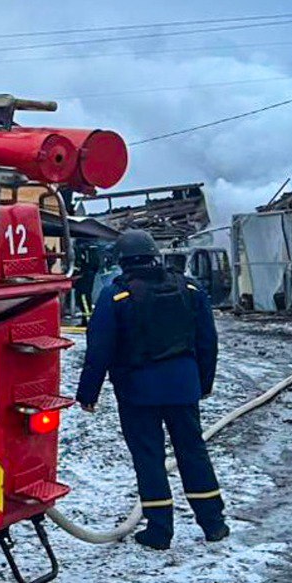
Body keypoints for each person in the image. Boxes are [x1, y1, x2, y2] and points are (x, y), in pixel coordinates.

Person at [75, 230, 227, 549]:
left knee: (149, 457)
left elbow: (99, 348)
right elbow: (207, 340)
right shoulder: (189, 288)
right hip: (183, 387)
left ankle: (159, 531)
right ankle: (213, 523)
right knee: (193, 452)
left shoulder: (115, 296)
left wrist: (88, 394)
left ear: (122, 262)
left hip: (138, 391)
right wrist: (204, 382)